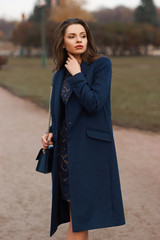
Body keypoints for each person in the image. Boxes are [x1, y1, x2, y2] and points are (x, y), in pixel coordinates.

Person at [41, 18, 126, 239]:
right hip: (65, 154)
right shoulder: (59, 75)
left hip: (90, 152)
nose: (79, 40)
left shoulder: (101, 65)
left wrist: (78, 75)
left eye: (83, 35)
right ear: (62, 43)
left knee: (79, 221)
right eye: (72, 36)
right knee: (78, 218)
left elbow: (95, 103)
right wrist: (49, 132)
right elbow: (62, 113)